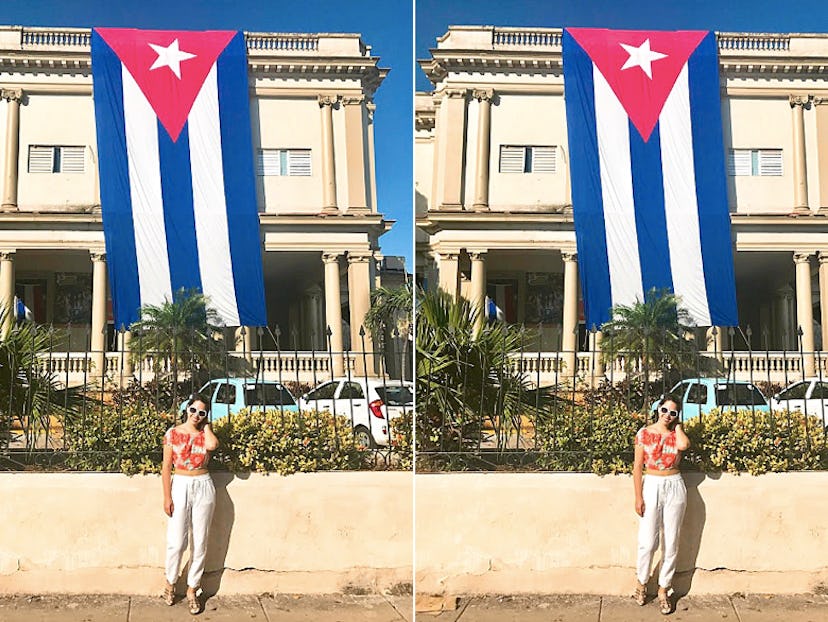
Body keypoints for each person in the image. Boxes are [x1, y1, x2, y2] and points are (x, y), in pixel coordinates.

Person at [161, 393, 219, 615]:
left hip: (203, 483)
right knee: (176, 541)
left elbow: (213, 445)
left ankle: (192, 589)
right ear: (187, 409)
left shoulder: (205, 434)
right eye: (193, 410)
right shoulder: (173, 433)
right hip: (181, 483)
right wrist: (167, 497)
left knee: (200, 540)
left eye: (202, 412)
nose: (196, 415)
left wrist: (206, 426)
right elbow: (166, 467)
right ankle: (170, 582)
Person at [632, 393, 690, 615]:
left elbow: (684, 445)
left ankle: (664, 589)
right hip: (652, 483)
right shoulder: (644, 433)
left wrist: (677, 427)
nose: (667, 415)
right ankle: (641, 582)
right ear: (658, 408)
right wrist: (638, 496)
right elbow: (637, 466)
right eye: (665, 410)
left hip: (674, 483)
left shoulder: (676, 434)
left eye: (673, 412)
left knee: (671, 540)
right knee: (647, 541)